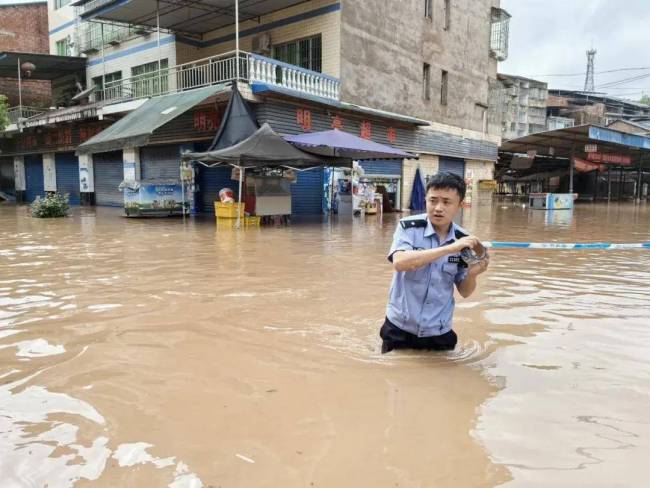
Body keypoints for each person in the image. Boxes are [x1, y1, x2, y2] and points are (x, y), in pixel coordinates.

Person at [380, 172, 489, 353]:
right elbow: (399, 262)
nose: (438, 208)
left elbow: (465, 292)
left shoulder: (464, 239)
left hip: (438, 330)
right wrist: (449, 248)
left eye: (446, 202)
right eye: (433, 200)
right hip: (399, 328)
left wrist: (472, 273)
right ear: (425, 200)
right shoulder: (408, 227)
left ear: (460, 205)